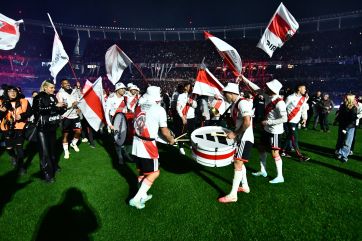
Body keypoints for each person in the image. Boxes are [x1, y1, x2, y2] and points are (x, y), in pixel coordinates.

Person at [129, 86, 175, 209]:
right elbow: (164, 131)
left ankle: (143, 194)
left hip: (136, 142)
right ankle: (136, 198)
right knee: (155, 173)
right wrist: (171, 140)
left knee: (141, 171)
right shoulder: (159, 109)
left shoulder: (138, 107)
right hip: (148, 145)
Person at [242, 76, 287, 184]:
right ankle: (263, 170)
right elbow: (256, 89)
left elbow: (285, 118)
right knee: (261, 148)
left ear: (272, 90)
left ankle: (280, 176)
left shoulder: (280, 103)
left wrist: (268, 122)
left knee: (275, 153)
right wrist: (243, 78)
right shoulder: (267, 95)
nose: (265, 87)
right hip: (267, 129)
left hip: (275, 131)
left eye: (268, 86)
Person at [218, 83, 254, 203]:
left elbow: (247, 122)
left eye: (226, 93)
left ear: (232, 93)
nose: (224, 95)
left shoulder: (243, 103)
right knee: (240, 163)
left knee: (237, 164)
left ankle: (233, 195)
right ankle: (245, 186)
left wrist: (235, 133)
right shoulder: (235, 104)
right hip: (241, 137)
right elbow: (238, 121)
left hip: (245, 138)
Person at [32, 80, 66, 182]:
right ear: (45, 87)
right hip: (42, 129)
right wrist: (55, 106)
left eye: (54, 87)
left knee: (52, 150)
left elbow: (58, 111)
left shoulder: (53, 96)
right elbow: (38, 110)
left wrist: (66, 107)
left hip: (52, 127)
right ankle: (47, 174)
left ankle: (54, 166)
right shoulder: (38, 97)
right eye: (51, 88)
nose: (53, 89)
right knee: (44, 153)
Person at [0, 86, 32, 175]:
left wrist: (21, 116)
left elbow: (30, 112)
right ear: (6, 92)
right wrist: (3, 110)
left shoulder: (24, 101)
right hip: (6, 128)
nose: (13, 93)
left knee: (19, 147)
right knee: (9, 147)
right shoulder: (1, 102)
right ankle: (13, 157)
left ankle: (21, 166)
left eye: (14, 91)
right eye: (10, 91)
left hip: (20, 126)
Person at [281, 83, 310, 162]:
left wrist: (304, 118)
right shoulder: (290, 97)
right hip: (290, 121)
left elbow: (304, 109)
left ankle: (282, 151)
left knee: (289, 137)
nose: (305, 90)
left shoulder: (303, 99)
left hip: (297, 121)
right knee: (295, 138)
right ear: (299, 89)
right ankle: (300, 156)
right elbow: (283, 108)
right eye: (304, 88)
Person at [56, 79, 82, 159]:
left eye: (68, 83)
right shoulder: (59, 94)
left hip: (75, 115)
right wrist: (71, 105)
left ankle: (73, 143)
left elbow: (79, 99)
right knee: (65, 135)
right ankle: (66, 151)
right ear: (62, 85)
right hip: (66, 116)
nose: (67, 84)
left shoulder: (74, 91)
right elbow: (61, 105)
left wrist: (78, 88)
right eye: (65, 83)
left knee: (79, 131)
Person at [104, 82, 128, 164]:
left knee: (123, 138)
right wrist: (110, 125)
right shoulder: (111, 98)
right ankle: (120, 156)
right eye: (122, 89)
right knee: (117, 140)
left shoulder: (125, 98)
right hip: (114, 120)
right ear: (117, 90)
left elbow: (126, 109)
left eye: (124, 89)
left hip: (123, 120)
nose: (124, 90)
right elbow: (106, 112)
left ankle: (126, 154)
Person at [334, 93, 358, 162]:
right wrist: (336, 121)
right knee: (340, 140)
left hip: (350, 127)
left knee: (347, 142)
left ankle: (343, 155)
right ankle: (339, 153)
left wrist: (346, 128)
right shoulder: (342, 106)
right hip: (342, 125)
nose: (344, 99)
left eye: (345, 98)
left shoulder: (354, 108)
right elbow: (340, 115)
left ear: (349, 99)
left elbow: (353, 119)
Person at [176, 82, 197, 155]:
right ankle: (181, 147)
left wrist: (192, 103)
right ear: (185, 87)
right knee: (182, 133)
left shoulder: (192, 96)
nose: (191, 88)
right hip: (184, 117)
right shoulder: (181, 96)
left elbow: (195, 106)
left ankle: (191, 145)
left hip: (192, 117)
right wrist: (182, 117)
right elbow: (178, 107)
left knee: (191, 132)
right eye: (189, 86)